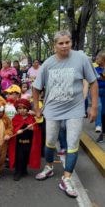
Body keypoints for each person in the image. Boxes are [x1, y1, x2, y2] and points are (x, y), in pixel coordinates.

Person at [33, 30, 98, 198]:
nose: (64, 46)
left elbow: (93, 82)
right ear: (54, 45)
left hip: (75, 109)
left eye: (67, 42)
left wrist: (94, 107)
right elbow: (36, 87)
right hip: (52, 110)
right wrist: (37, 108)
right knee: (50, 143)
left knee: (72, 144)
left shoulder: (81, 58)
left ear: (71, 42)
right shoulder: (47, 64)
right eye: (60, 43)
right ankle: (48, 166)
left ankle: (66, 178)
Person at [8, 98, 41, 181]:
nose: (22, 110)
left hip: (28, 143)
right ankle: (17, 172)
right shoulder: (15, 119)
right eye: (19, 108)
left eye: (24, 108)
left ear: (27, 109)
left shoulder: (31, 119)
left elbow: (37, 130)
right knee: (19, 157)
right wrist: (16, 131)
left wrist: (32, 128)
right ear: (17, 109)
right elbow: (12, 129)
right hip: (19, 143)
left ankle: (24, 169)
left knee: (26, 157)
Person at [94, 52, 105, 142]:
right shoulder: (95, 69)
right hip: (96, 91)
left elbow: (101, 78)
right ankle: (98, 125)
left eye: (98, 58)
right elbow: (98, 78)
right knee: (99, 107)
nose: (96, 59)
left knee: (104, 113)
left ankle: (102, 134)